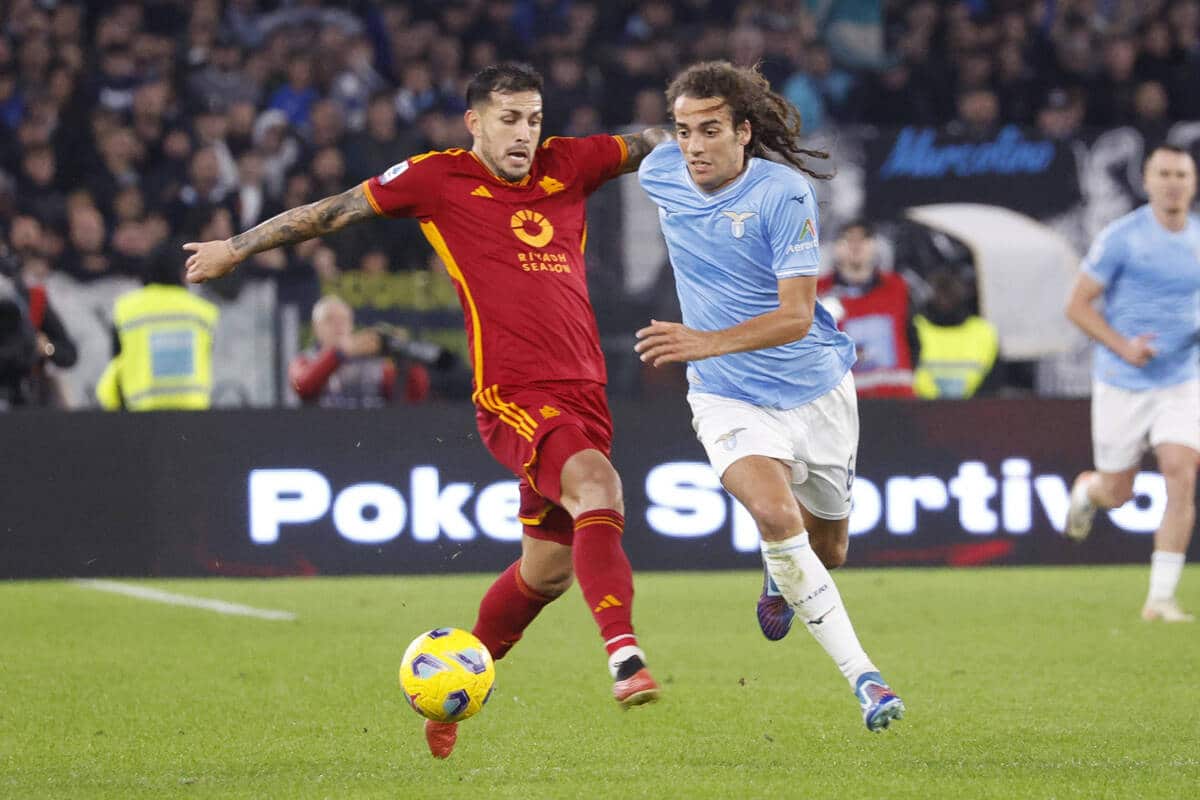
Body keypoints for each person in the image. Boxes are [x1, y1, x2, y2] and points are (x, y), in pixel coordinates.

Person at [180, 62, 671, 757]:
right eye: (509, 119)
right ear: (475, 122)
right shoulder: (437, 177)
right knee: (599, 487)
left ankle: (448, 702)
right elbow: (333, 210)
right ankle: (625, 658)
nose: (525, 133)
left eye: (533, 118)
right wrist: (237, 246)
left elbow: (653, 139)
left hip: (585, 391)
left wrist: (717, 120)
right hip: (514, 394)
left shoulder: (571, 162)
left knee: (547, 571)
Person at [634, 61, 904, 732]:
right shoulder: (661, 170)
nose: (694, 146)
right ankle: (866, 680)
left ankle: (777, 571)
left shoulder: (783, 194)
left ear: (744, 132)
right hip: (728, 397)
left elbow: (793, 316)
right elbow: (630, 149)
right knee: (777, 517)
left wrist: (702, 340)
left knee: (830, 548)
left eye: (710, 131)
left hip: (815, 389)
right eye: (684, 131)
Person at [1064, 144, 1200, 623]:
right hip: (1123, 379)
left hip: (1183, 379)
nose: (1172, 182)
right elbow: (1077, 305)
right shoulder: (1122, 237)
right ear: (1147, 181)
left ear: (1193, 181)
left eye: (1181, 173)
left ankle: (1160, 599)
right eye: (1163, 173)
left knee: (1181, 474)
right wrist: (1124, 347)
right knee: (1117, 493)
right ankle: (1089, 490)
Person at [96, 248, 219, 412]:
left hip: (139, 415)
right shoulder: (203, 311)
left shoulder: (125, 309)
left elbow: (116, 361)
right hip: (193, 415)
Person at [289, 295, 451, 408]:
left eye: (344, 319)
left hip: (371, 436)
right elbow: (303, 387)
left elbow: (415, 396)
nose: (338, 326)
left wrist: (401, 355)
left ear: (351, 324)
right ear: (316, 328)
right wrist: (339, 353)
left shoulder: (375, 361)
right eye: (330, 320)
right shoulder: (305, 359)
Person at [817, 221, 918, 398]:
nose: (856, 246)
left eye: (863, 239)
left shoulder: (898, 287)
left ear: (874, 246)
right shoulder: (817, 293)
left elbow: (914, 339)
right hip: (844, 404)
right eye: (848, 240)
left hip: (897, 400)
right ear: (836, 248)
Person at [912, 269, 1000, 399]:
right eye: (941, 291)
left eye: (950, 291)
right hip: (921, 410)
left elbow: (994, 382)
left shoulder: (984, 332)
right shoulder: (914, 328)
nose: (945, 298)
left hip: (975, 412)